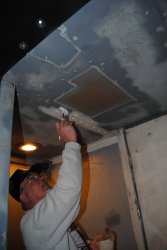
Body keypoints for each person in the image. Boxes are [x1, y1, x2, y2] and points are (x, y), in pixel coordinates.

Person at [9, 120, 91, 250]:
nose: (42, 177)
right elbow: (68, 190)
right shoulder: (32, 224)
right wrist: (70, 142)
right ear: (23, 197)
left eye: (39, 175)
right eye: (32, 179)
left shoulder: (50, 217)